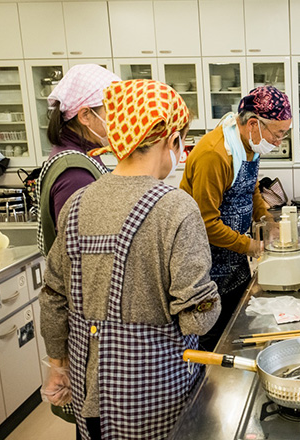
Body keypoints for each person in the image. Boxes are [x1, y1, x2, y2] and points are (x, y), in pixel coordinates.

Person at [40, 79, 221, 440]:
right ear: (171, 140)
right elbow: (197, 318)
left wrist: (58, 366)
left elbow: (53, 297)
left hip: (89, 391)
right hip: (156, 397)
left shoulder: (77, 204)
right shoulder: (175, 207)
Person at [180, 85, 291, 350]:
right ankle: (206, 388)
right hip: (207, 264)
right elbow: (206, 224)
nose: (278, 142)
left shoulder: (247, 145)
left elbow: (250, 187)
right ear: (253, 124)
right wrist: (251, 246)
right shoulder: (215, 155)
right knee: (210, 333)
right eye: (277, 134)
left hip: (234, 257)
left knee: (234, 326)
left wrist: (268, 221)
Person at [38, 64, 120, 256]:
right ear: (85, 115)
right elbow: (80, 253)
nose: (120, 119)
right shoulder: (74, 174)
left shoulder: (86, 154)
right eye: (113, 111)